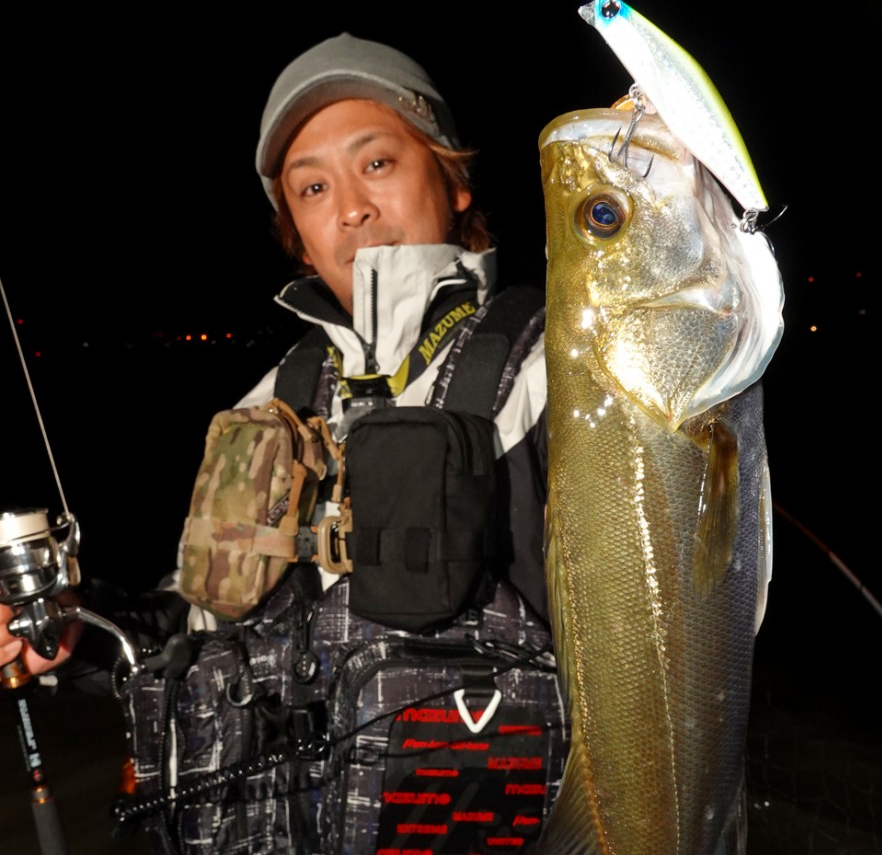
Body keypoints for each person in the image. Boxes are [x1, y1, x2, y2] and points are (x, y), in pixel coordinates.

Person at [0, 33, 549, 679]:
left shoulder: (558, 369)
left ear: (454, 181)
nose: (351, 209)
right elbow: (198, 627)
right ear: (297, 235)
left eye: (377, 163)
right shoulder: (274, 399)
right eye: (313, 187)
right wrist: (77, 634)